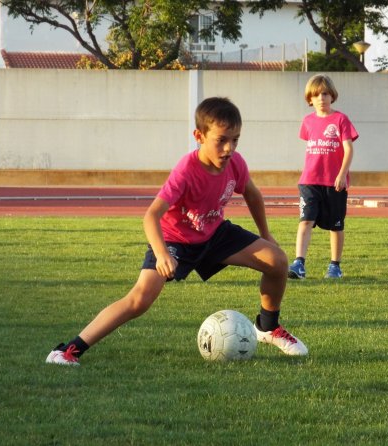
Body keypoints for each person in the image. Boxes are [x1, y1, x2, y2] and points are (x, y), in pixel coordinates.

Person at [46, 97, 308, 365]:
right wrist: (161, 254)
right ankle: (67, 352)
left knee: (277, 261)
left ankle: (267, 327)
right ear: (199, 136)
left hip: (214, 233)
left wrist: (266, 234)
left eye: (236, 140)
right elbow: (151, 216)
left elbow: (252, 194)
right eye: (221, 140)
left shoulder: (235, 163)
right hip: (175, 240)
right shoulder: (186, 171)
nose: (229, 148)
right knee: (140, 300)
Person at [288, 74, 358, 280]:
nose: (321, 98)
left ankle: (335, 266)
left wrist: (342, 174)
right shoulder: (307, 121)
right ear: (310, 99)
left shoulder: (341, 119)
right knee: (305, 221)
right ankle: (299, 264)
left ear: (332, 96)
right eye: (316, 95)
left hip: (334, 183)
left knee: (335, 226)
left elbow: (348, 149)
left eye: (325, 93)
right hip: (309, 181)